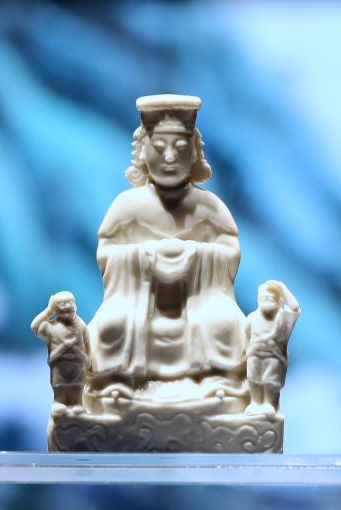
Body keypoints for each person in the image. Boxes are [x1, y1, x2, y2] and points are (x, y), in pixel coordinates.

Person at [86, 95, 247, 395]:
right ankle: (119, 384)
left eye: (180, 148)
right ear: (143, 151)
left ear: (195, 153)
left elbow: (229, 248)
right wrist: (145, 258)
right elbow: (107, 249)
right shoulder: (127, 206)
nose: (170, 157)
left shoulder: (209, 207)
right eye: (159, 148)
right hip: (139, 301)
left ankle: (217, 382)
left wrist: (195, 257)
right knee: (111, 327)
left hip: (198, 301)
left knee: (224, 326)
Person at [245, 280, 301, 414]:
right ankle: (256, 402)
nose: (266, 300)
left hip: (274, 357)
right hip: (255, 355)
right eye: (263, 298)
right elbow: (245, 335)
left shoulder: (283, 319)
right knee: (254, 380)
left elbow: (294, 307)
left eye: (270, 298)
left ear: (278, 301)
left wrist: (282, 288)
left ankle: (269, 404)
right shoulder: (252, 317)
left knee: (270, 381)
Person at [31, 291, 91, 410]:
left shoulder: (80, 325)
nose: (68, 306)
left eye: (71, 302)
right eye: (63, 304)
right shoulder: (51, 327)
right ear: (55, 308)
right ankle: (59, 402)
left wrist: (88, 359)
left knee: (77, 386)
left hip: (78, 364)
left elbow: (87, 341)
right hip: (59, 365)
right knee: (60, 386)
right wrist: (48, 311)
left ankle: (76, 404)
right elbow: (34, 326)